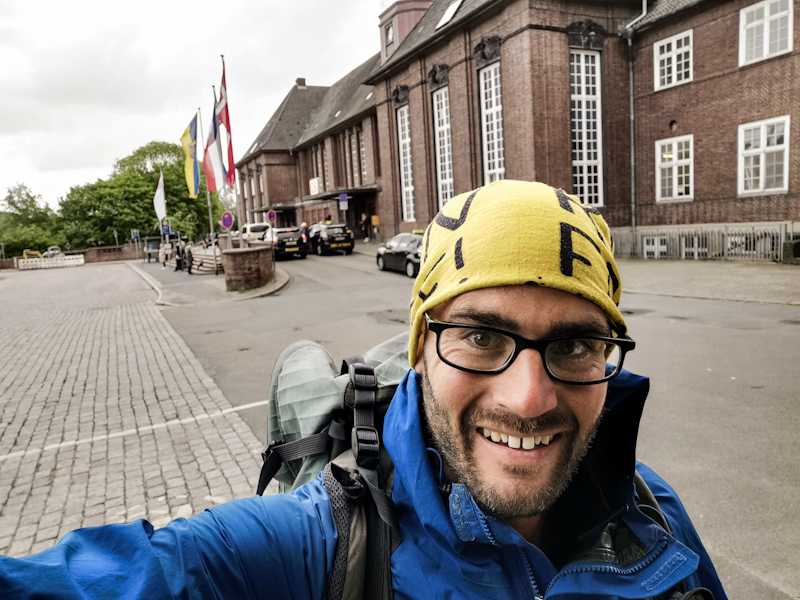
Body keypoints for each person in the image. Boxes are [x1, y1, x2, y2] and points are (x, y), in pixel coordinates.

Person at [0, 181, 727, 599]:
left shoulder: (654, 514)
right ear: (421, 350)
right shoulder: (318, 543)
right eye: (480, 336)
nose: (529, 396)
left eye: (572, 344)